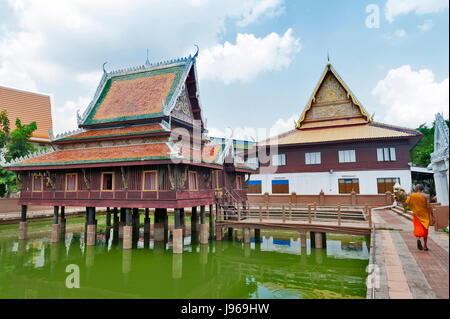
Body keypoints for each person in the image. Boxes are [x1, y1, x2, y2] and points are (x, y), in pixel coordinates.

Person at [404, 184, 435, 251]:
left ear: (417, 188)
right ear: (422, 189)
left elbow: (405, 204)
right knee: (425, 229)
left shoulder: (412, 195)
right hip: (425, 215)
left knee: (418, 228)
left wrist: (405, 208)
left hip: (417, 215)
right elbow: (429, 206)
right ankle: (425, 246)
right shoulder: (426, 195)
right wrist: (432, 216)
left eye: (415, 187)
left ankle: (418, 239)